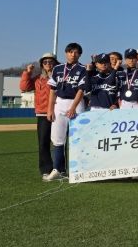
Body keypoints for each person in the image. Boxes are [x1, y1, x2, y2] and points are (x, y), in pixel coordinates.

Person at [46, 42, 88, 181]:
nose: (73, 54)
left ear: (79, 55)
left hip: (76, 103)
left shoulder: (83, 69)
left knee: (78, 137)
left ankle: (80, 169)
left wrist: (73, 107)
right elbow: (52, 90)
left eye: (76, 52)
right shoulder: (58, 68)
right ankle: (58, 169)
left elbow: (81, 90)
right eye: (70, 52)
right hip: (60, 103)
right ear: (66, 53)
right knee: (57, 138)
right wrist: (50, 109)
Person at [20, 52, 59, 180]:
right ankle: (46, 170)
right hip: (43, 113)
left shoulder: (60, 76)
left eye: (51, 62)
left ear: (55, 63)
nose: (48, 64)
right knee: (43, 142)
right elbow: (24, 87)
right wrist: (27, 73)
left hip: (59, 112)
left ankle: (61, 168)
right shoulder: (38, 78)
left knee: (60, 143)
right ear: (42, 64)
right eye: (45, 62)